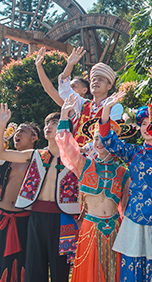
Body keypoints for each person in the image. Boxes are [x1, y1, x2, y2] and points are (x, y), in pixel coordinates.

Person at [0, 105, 81, 282]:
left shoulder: (75, 159)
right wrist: (1, 126)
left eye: (54, 123)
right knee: (34, 268)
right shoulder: (36, 155)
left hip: (63, 218)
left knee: (60, 270)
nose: (48, 126)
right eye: (47, 123)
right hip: (36, 216)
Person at [98, 68, 152, 282]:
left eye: (151, 124)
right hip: (133, 217)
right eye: (143, 124)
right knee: (131, 265)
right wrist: (106, 109)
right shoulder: (134, 152)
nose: (147, 128)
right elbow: (108, 140)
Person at [55, 93, 131, 282]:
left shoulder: (123, 172)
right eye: (96, 138)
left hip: (114, 228)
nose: (99, 142)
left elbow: (125, 205)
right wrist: (64, 116)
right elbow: (67, 148)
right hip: (90, 226)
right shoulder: (85, 165)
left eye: (103, 138)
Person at [0, 107, 40, 282]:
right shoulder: (8, 159)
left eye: (23, 131)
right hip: (1, 218)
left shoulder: (38, 158)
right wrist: (2, 125)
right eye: (17, 131)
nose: (18, 133)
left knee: (21, 265)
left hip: (24, 220)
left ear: (34, 138)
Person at [58, 50, 122, 144]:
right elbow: (65, 90)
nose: (96, 82)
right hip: (78, 152)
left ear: (109, 86)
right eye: (93, 79)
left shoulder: (115, 107)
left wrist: (88, 149)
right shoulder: (83, 104)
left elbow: (110, 134)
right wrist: (69, 65)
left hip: (99, 152)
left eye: (100, 80)